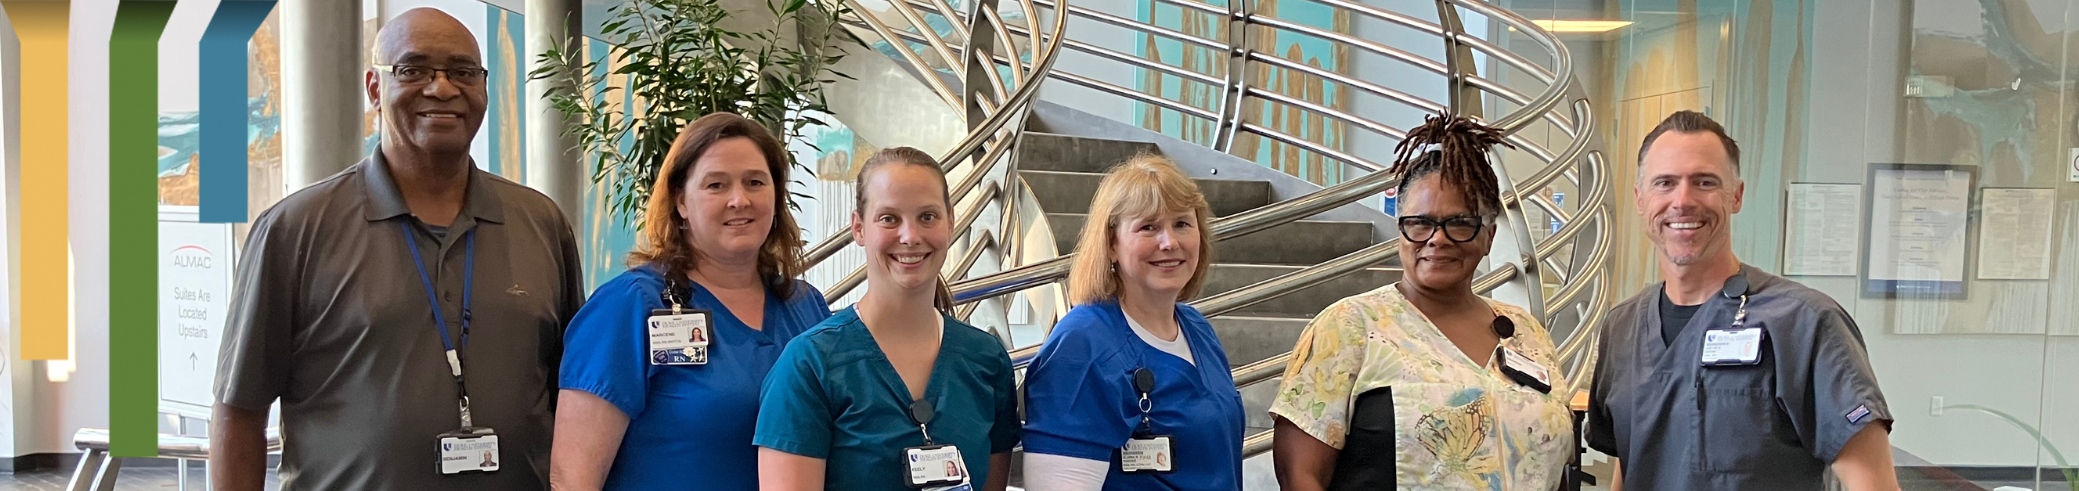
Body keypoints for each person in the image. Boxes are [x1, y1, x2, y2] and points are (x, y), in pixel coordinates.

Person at [210, 8, 584, 490]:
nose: (443, 88)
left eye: (463, 71)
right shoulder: (294, 230)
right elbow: (239, 410)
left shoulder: (541, 222)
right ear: (374, 88)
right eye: (414, 70)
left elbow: (574, 397)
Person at [1586, 110, 1897, 490]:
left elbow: (1872, 483)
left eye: (1704, 182)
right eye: (1665, 183)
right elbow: (1631, 462)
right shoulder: (1623, 328)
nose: (1682, 200)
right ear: (1640, 199)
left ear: (1736, 195)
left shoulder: (1804, 323)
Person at [1268, 114, 1575, 490]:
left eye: (1460, 223)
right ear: (1400, 227)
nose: (1437, 239)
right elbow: (1300, 475)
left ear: (1489, 237)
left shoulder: (1527, 333)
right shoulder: (1349, 328)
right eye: (1420, 222)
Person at [550, 113, 832, 491]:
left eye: (755, 182)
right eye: (716, 185)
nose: (739, 200)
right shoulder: (629, 308)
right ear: (681, 201)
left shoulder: (805, 306)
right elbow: (573, 479)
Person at [754, 147, 1020, 491]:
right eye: (889, 218)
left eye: (928, 217)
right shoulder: (811, 364)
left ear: (951, 223)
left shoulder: (986, 360)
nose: (910, 236)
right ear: (859, 228)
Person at [1019, 155, 1243, 491]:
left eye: (1182, 223)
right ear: (1111, 244)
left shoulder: (1197, 329)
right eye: (1148, 227)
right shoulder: (1083, 344)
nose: (1169, 242)